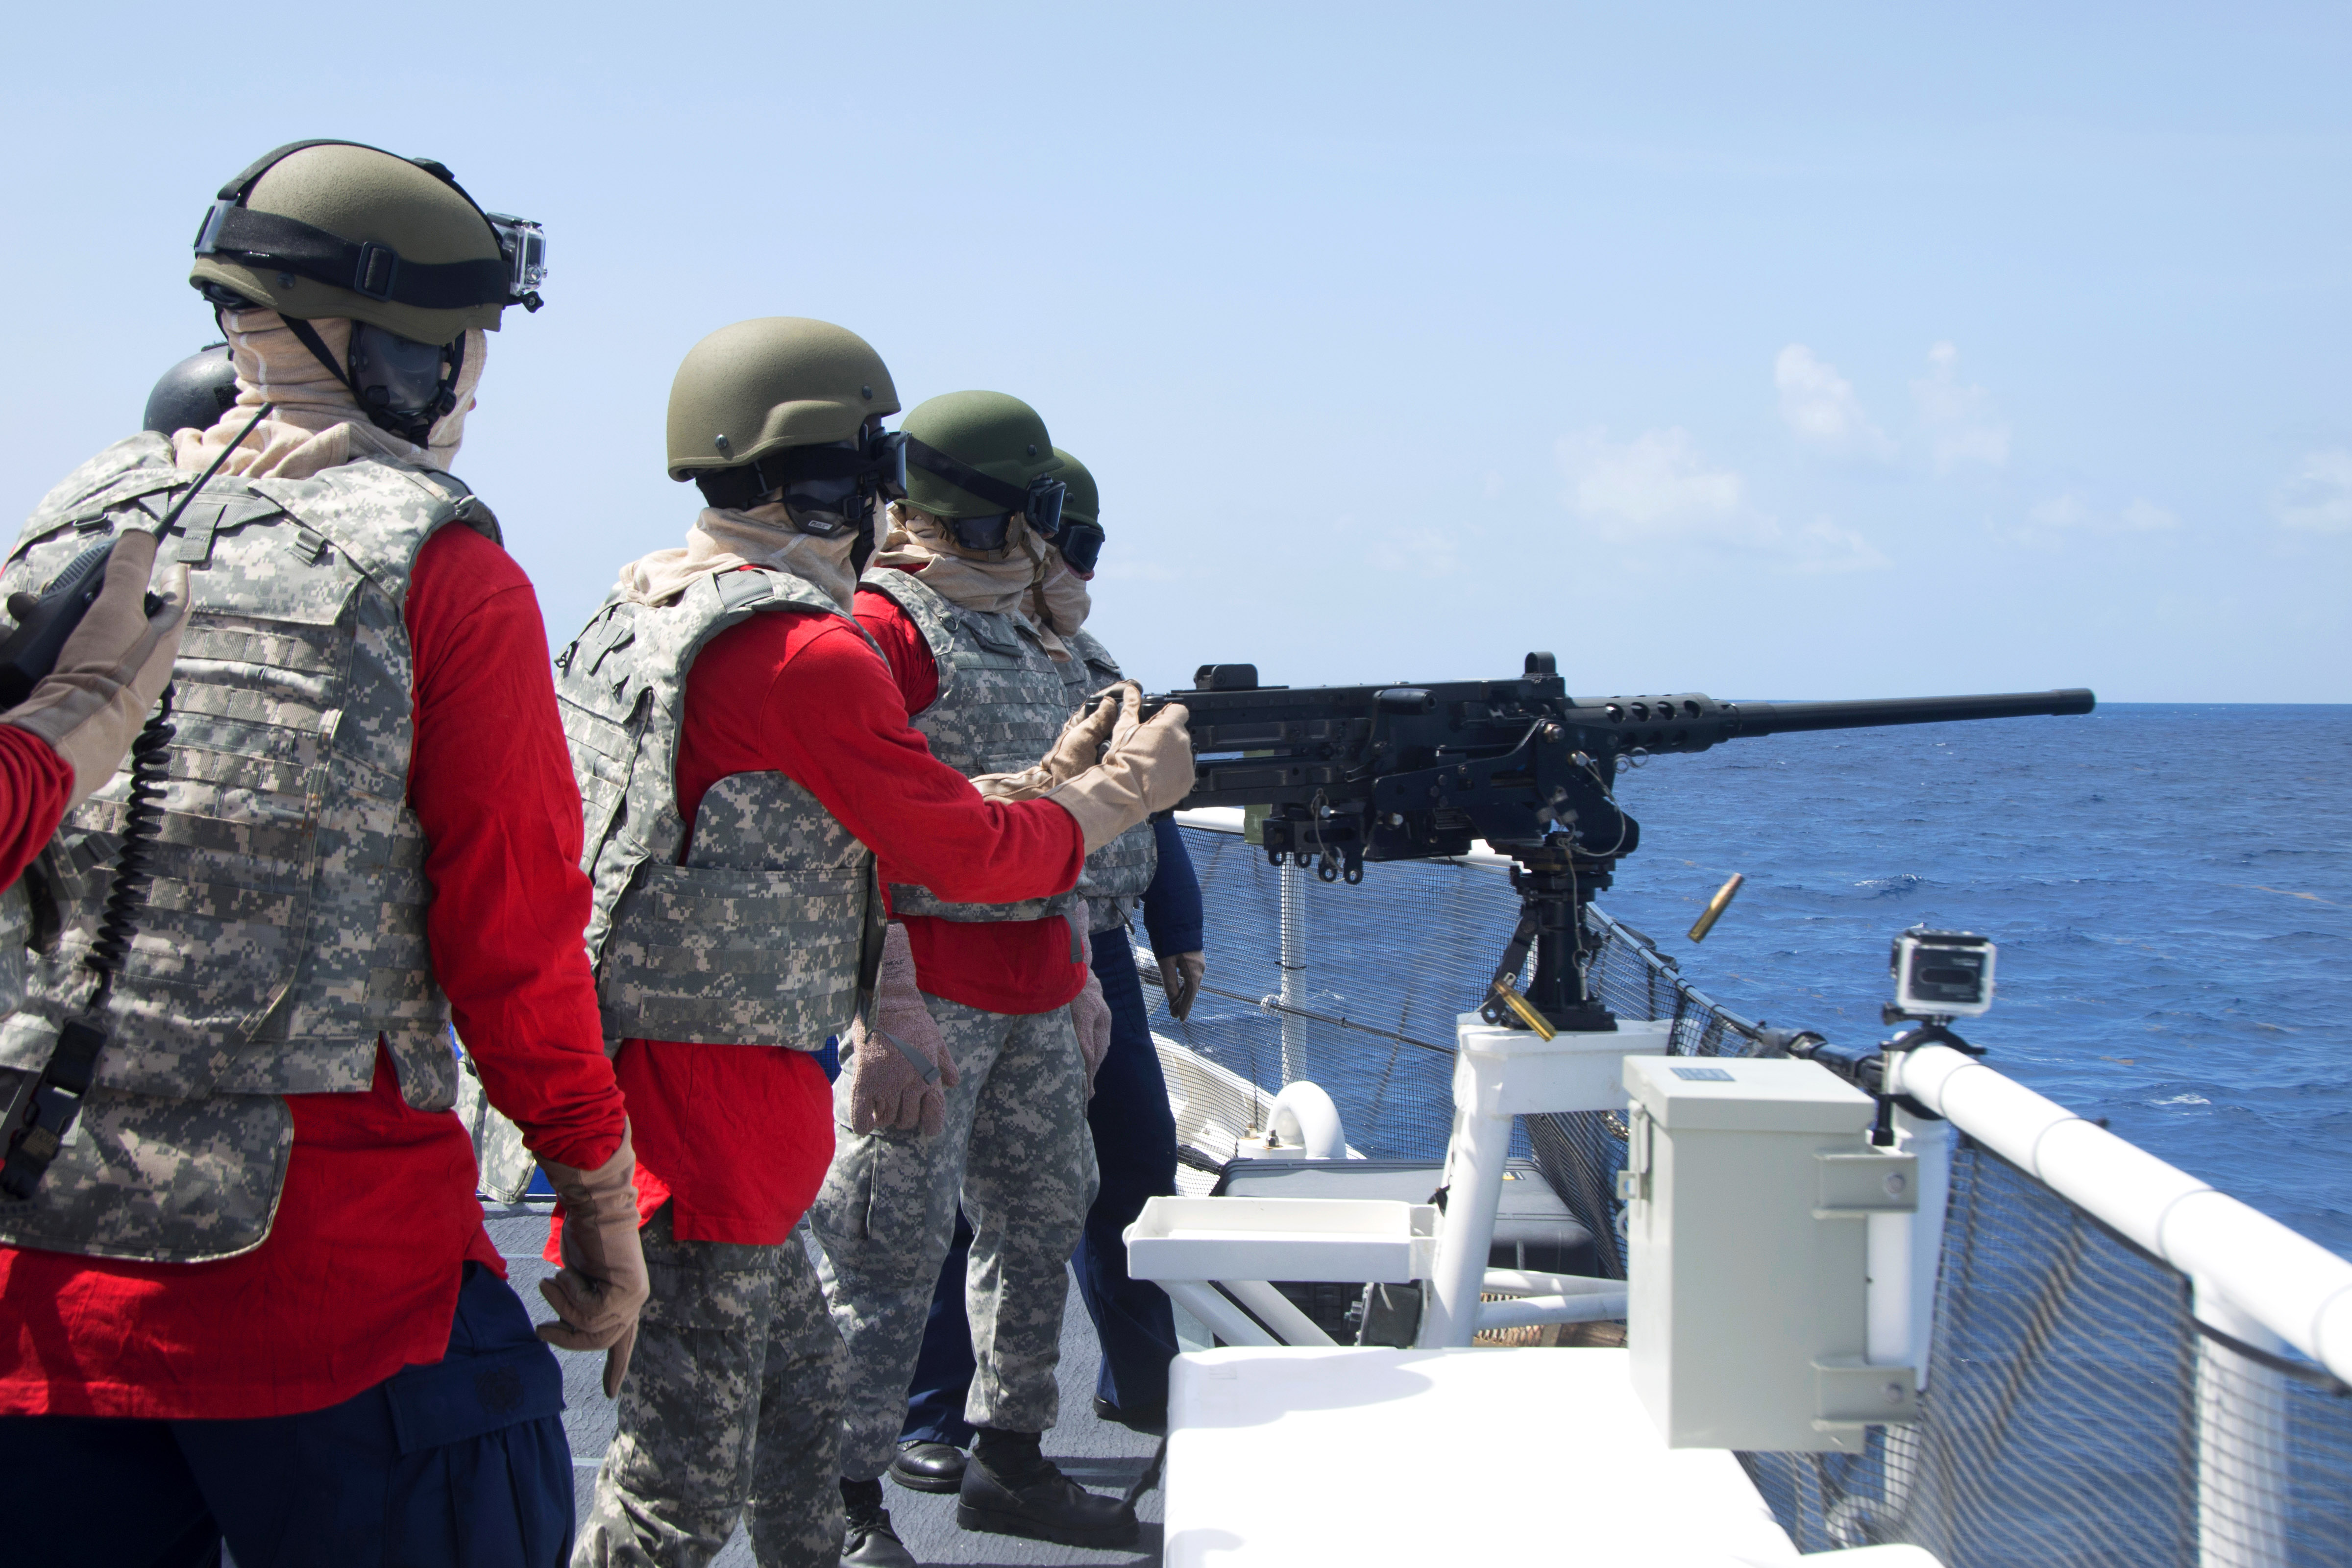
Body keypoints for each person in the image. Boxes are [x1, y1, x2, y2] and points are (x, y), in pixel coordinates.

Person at [0, 139, 646, 1567]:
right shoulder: (443, 568)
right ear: (406, 354)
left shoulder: (64, 520)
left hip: (41, 1269)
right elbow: (514, 935)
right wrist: (597, 1194)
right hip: (335, 1286)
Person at [557, 323, 1193, 1568]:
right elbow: (950, 850)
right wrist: (1119, 793)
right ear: (831, 483)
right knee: (677, 1499)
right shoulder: (810, 648)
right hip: (713, 1111)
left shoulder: (641, 612)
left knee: (796, 1428)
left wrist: (1044, 784)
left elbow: (858, 809)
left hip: (669, 1081)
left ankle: (895, 1503)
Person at [815, 392, 1182, 1554]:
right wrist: (884, 1012)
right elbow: (851, 831)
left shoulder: (1025, 630)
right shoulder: (882, 630)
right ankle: (843, 1503)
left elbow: (1058, 823)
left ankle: (1010, 1458)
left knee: (1039, 1225)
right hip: (929, 988)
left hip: (1036, 983)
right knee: (889, 1245)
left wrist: (1078, 968)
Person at [890, 448, 1207, 1497]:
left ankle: (1146, 1383)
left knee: (1123, 1167)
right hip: (949, 946)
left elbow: (1151, 801)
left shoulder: (1083, 659)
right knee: (941, 1201)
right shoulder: (925, 638)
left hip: (1082, 942)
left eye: (1085, 549)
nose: (1070, 566)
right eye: (1061, 543)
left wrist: (1177, 924)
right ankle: (929, 1415)